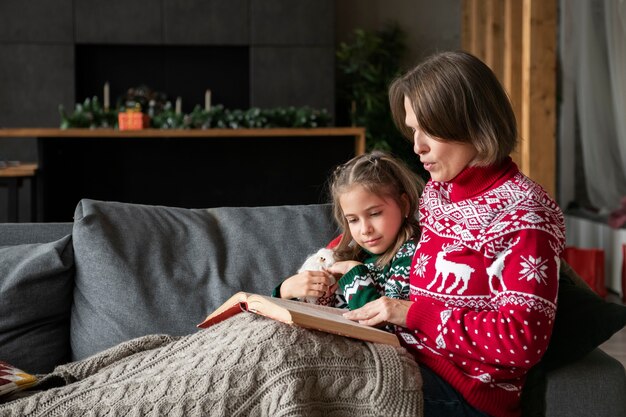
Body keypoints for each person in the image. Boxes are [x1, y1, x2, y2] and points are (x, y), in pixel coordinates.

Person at [342, 51, 566, 417]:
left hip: (466, 392)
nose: (417, 146)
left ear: (474, 123)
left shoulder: (526, 216)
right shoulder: (438, 192)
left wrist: (411, 314)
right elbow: (376, 233)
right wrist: (326, 262)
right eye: (414, 129)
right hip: (407, 357)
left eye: (429, 130)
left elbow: (523, 342)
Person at [273, 150, 424, 312]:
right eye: (353, 220)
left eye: (375, 214)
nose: (365, 230)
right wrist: (286, 291)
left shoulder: (412, 255)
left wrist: (354, 274)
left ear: (404, 205)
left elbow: (387, 323)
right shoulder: (349, 250)